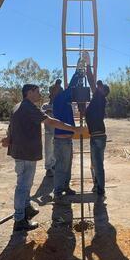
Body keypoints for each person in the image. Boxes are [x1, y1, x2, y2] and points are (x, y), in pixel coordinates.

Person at [2, 84, 83, 232]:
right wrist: (73, 128)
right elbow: (50, 121)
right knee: (23, 186)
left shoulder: (18, 106)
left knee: (26, 183)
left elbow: (10, 126)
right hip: (25, 153)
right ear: (29, 92)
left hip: (22, 152)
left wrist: (8, 138)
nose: (40, 94)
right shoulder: (28, 107)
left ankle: (26, 208)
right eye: (37, 92)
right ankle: (19, 220)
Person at [52, 70, 82, 202]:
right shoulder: (58, 99)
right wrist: (76, 74)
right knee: (61, 166)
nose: (61, 90)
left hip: (67, 140)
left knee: (67, 165)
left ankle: (65, 187)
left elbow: (71, 91)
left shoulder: (63, 101)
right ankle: (58, 190)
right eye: (58, 89)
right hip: (61, 141)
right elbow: (70, 88)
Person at [85, 55, 109, 197]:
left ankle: (100, 189)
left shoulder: (99, 98)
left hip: (98, 136)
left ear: (102, 92)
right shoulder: (98, 100)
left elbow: (91, 81)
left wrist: (88, 65)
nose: (97, 88)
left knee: (98, 164)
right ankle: (97, 185)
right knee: (95, 162)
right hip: (96, 136)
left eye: (100, 88)